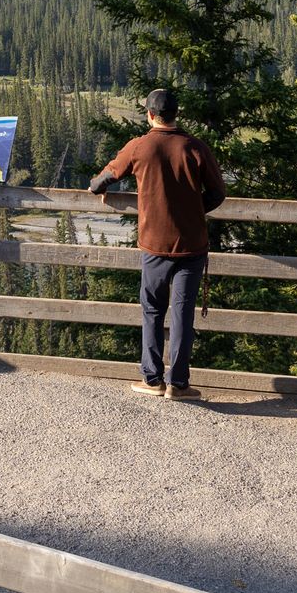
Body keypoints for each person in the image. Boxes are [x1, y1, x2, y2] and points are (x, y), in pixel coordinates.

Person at [86, 87, 227, 400]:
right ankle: (178, 384)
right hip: (191, 245)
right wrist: (192, 211)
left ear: (150, 114)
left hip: (154, 245)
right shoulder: (195, 147)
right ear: (176, 114)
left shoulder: (140, 147)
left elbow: (108, 176)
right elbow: (218, 194)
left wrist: (96, 186)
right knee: (182, 313)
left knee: (151, 311)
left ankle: (152, 380)